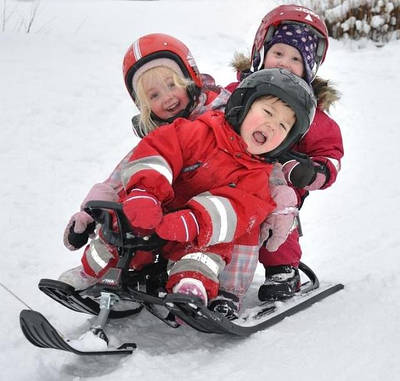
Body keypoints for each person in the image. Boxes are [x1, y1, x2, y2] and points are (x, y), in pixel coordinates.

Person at [63, 68, 317, 319]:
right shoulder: (199, 130)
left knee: (206, 253)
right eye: (267, 112)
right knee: (120, 230)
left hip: (196, 231)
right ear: (242, 106)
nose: (271, 125)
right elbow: (158, 151)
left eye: (283, 125)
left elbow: (237, 210)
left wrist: (196, 221)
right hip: (156, 212)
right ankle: (90, 271)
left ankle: (190, 286)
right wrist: (145, 191)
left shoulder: (257, 176)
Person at [61, 33, 231, 288]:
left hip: (206, 212)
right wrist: (89, 213)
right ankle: (100, 273)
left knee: (207, 235)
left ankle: (196, 284)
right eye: (154, 96)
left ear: (190, 78)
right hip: (164, 214)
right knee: (125, 217)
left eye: (171, 85)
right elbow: (124, 175)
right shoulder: (157, 135)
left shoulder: (220, 121)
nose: (167, 98)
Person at [225, 4, 344, 302]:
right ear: (261, 53)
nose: (286, 63)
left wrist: (312, 172)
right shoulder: (236, 91)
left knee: (278, 210)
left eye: (296, 59)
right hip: (227, 172)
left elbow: (329, 153)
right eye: (278, 53)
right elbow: (206, 113)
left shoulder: (312, 114)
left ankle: (283, 268)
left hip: (277, 183)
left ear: (309, 69)